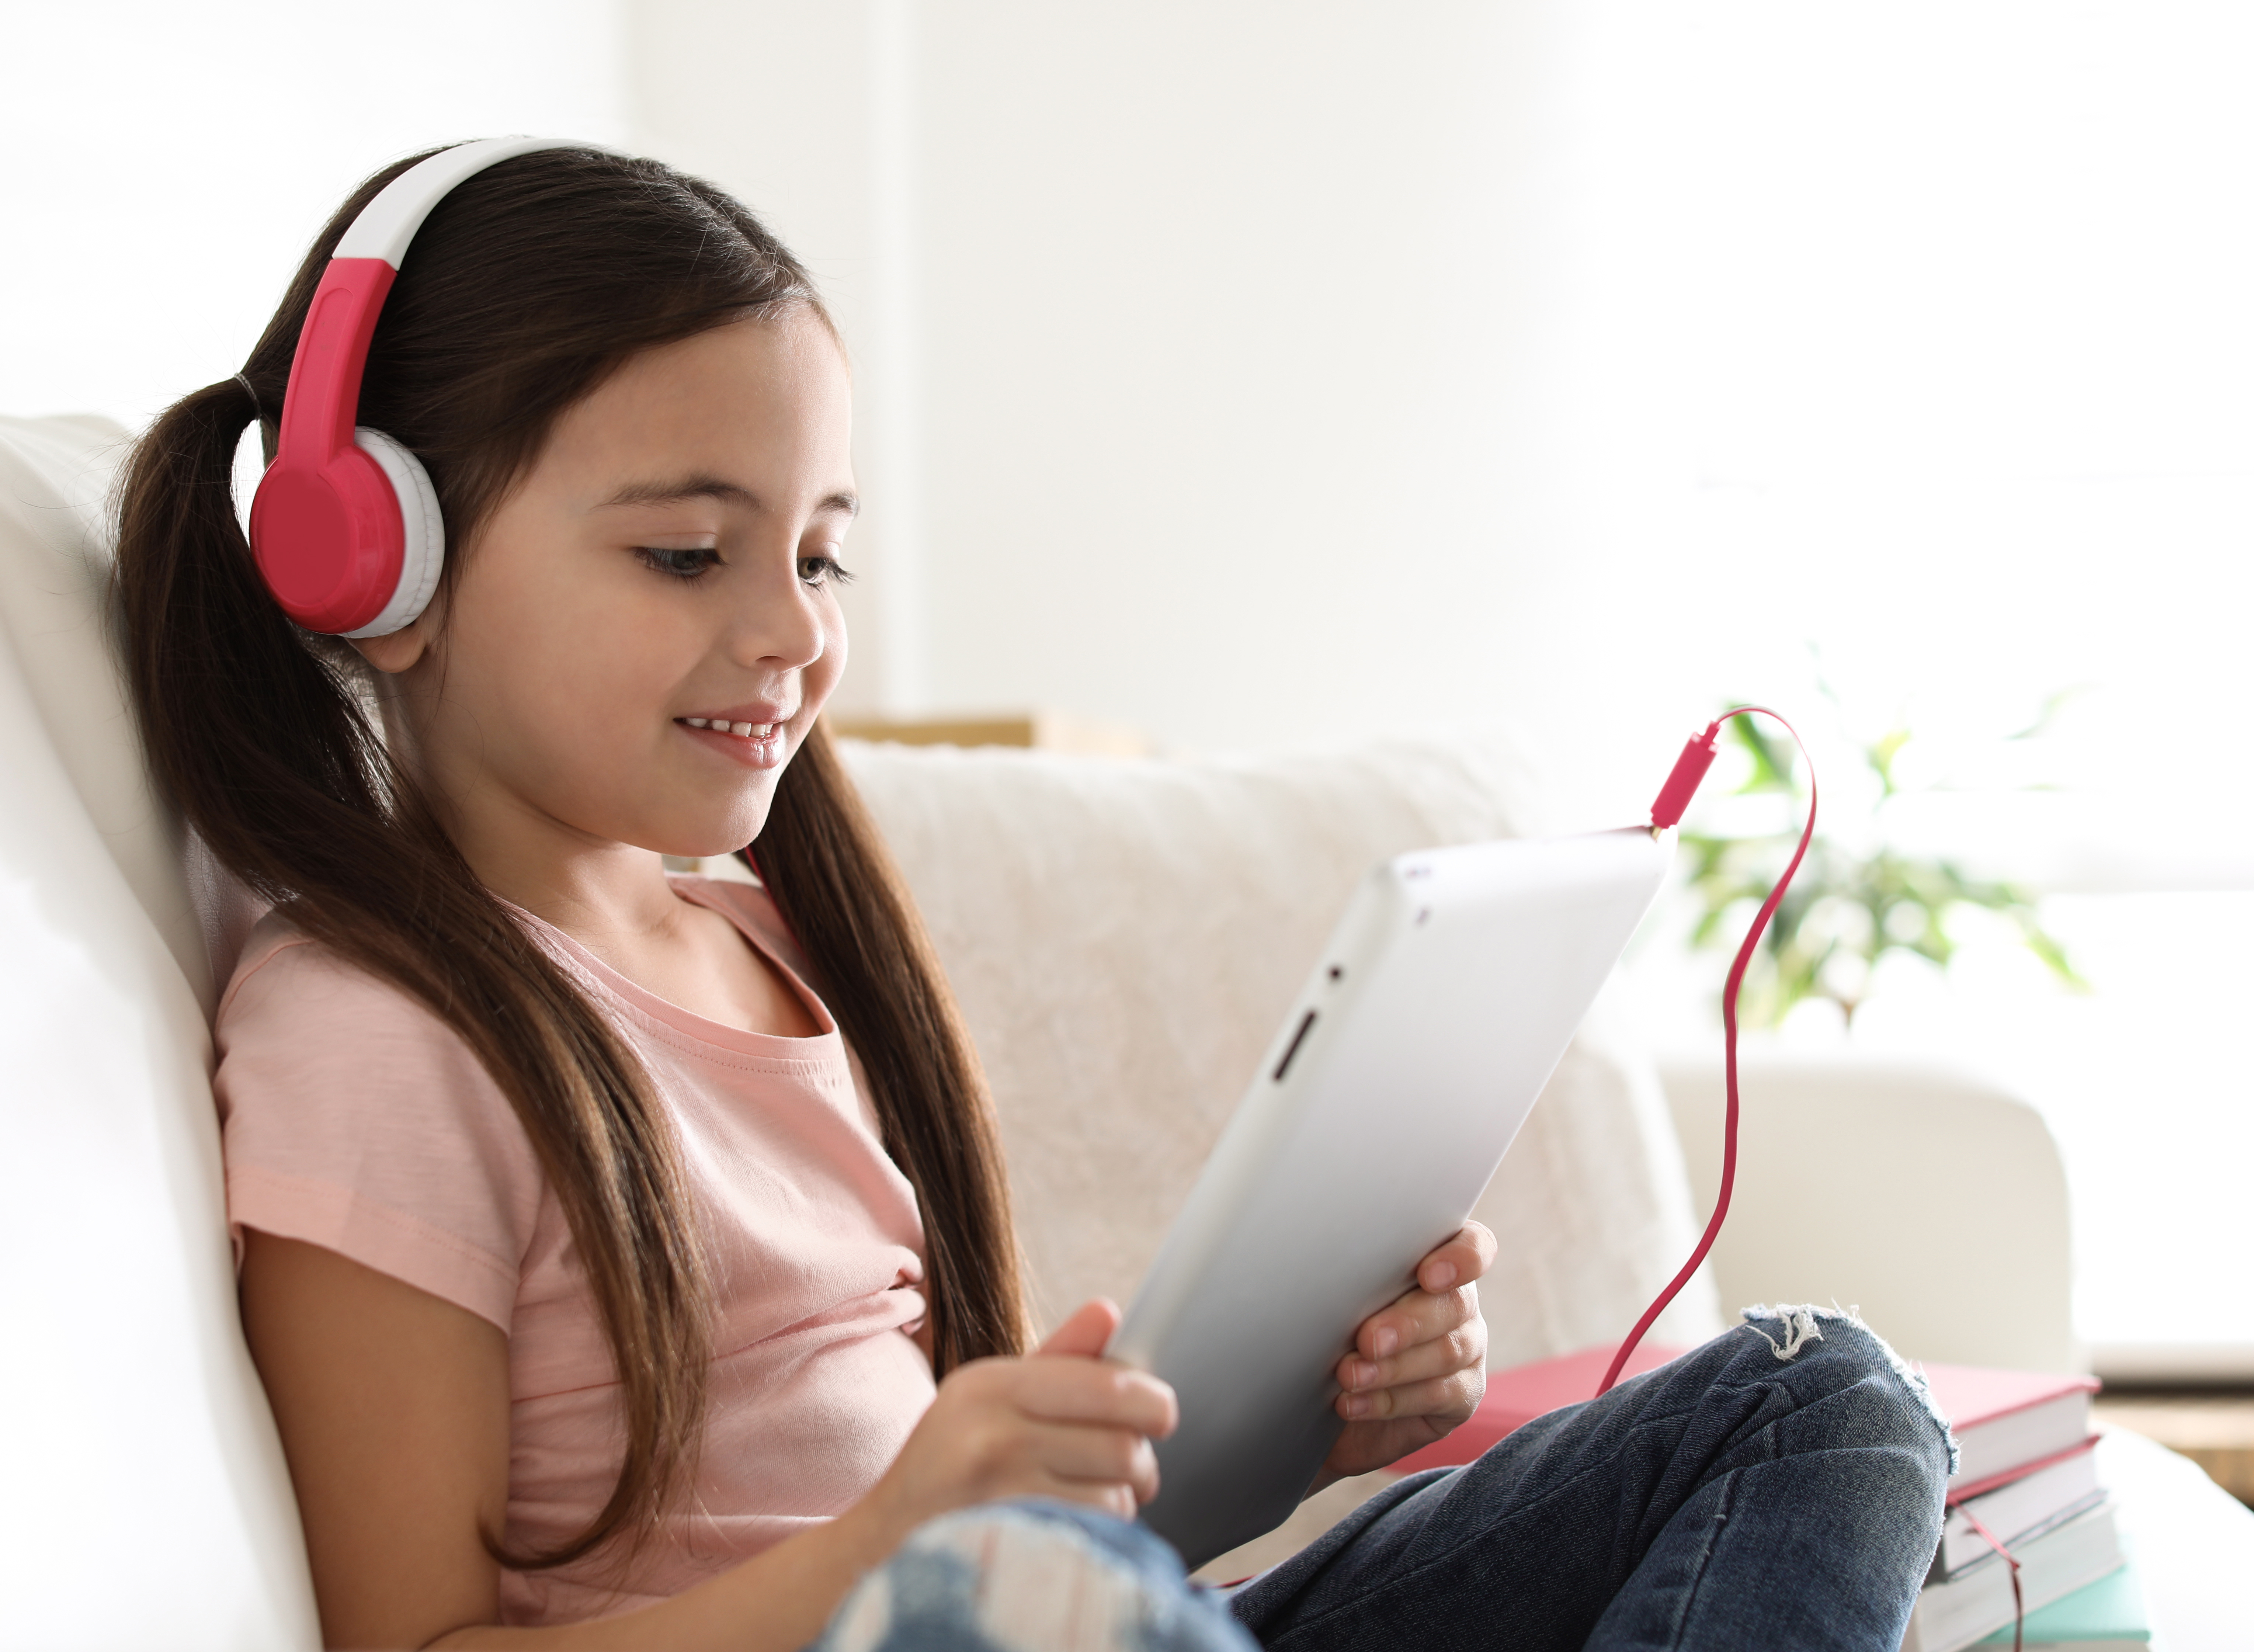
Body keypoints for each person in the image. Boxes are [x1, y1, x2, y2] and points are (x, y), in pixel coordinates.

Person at [115, 144, 1950, 1652]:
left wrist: (1289, 1421)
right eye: (690, 551)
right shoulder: (376, 1034)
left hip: (1083, 1620)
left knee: (1819, 1398)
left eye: (821, 552)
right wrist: (906, 1543)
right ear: (379, 557)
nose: (794, 630)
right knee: (1041, 1600)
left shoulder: (763, 943)